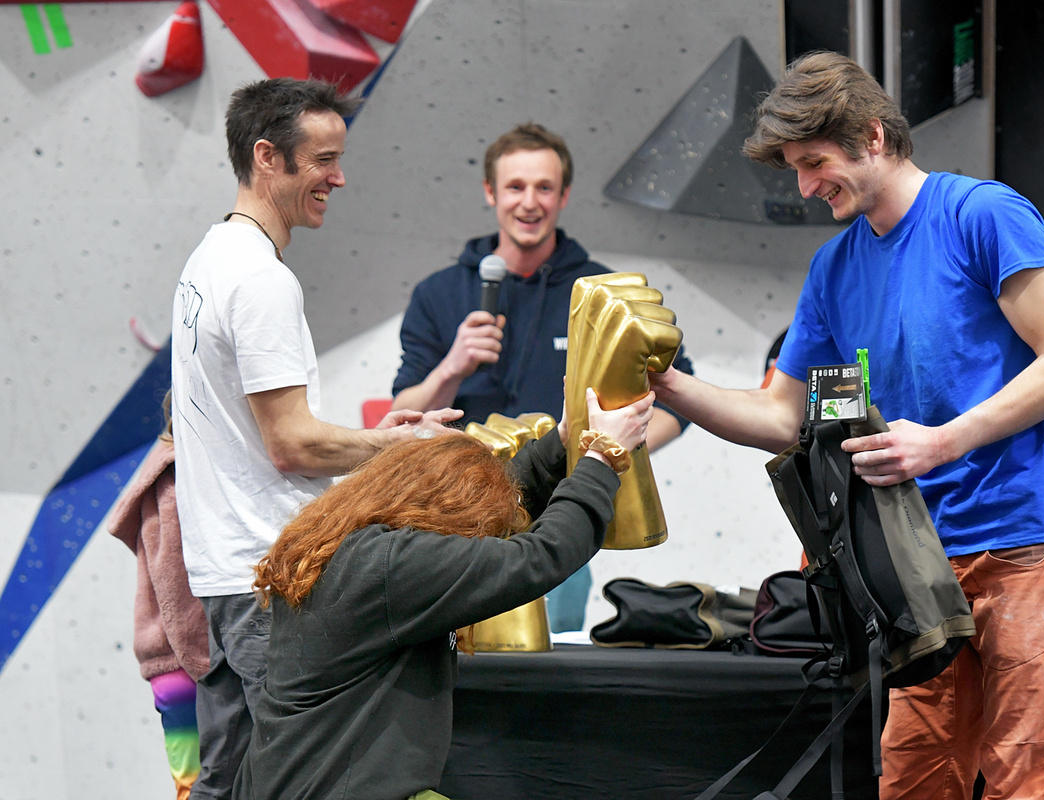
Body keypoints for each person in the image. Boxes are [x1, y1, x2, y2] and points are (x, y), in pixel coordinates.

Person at [649, 51, 1044, 799]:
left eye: (815, 162)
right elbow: (783, 417)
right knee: (913, 778)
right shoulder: (835, 270)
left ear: (872, 136)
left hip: (1030, 537)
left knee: (1023, 779)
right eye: (795, 171)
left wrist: (942, 442)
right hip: (921, 565)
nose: (805, 187)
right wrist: (671, 385)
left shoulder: (982, 215)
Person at [170, 77, 460, 800]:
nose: (339, 177)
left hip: (226, 576)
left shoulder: (207, 261)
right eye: (322, 160)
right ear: (267, 158)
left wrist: (368, 438)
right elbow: (291, 445)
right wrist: (404, 449)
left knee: (228, 786)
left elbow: (249, 430)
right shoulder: (262, 281)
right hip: (270, 584)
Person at [231, 388, 655, 800]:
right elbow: (538, 559)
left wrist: (563, 439)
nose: (477, 538)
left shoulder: (362, 549)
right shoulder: (390, 566)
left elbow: (496, 501)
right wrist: (602, 457)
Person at [390, 122, 693, 630]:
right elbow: (406, 406)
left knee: (556, 659)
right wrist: (454, 364)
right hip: (455, 513)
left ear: (564, 195)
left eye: (544, 187)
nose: (529, 202)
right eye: (515, 187)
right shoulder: (438, 292)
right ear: (490, 192)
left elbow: (675, 395)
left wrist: (604, 456)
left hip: (558, 511)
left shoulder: (599, 290)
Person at [108, 396, 209, 799]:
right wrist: (206, 660)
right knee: (204, 787)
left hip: (176, 663)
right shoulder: (175, 474)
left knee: (192, 786)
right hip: (190, 661)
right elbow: (174, 582)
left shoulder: (170, 467)